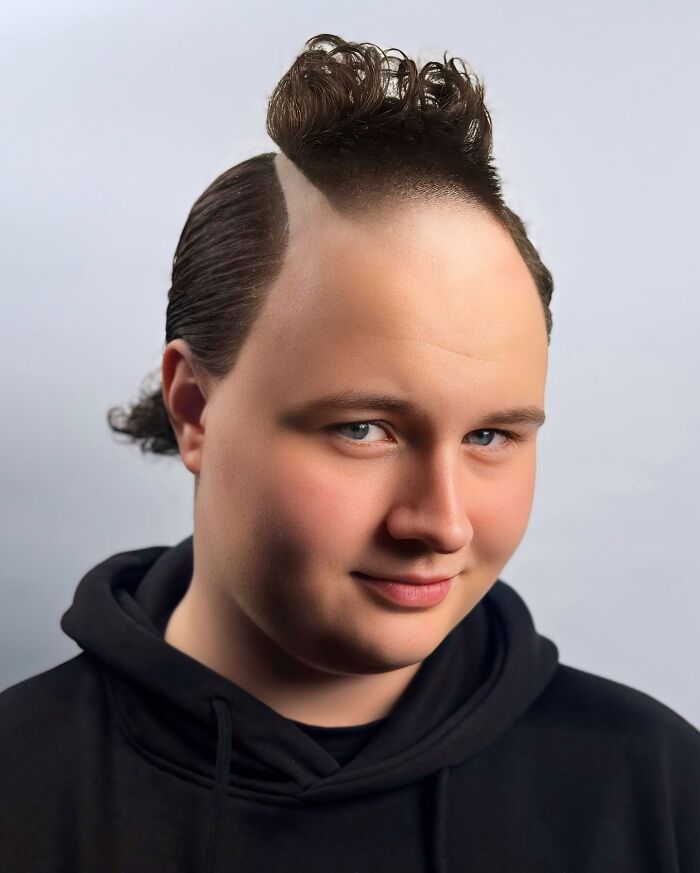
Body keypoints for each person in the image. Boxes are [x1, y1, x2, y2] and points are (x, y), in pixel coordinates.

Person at [1, 32, 698, 873]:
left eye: (490, 435)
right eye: (364, 428)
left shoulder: (659, 786)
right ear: (194, 410)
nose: (441, 523)